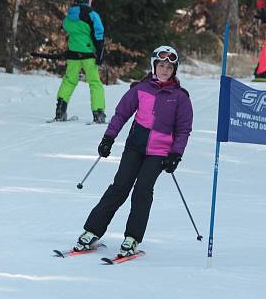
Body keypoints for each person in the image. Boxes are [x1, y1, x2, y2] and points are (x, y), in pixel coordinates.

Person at [73, 45, 194, 256]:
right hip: (134, 148)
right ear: (154, 66)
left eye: (169, 66)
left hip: (159, 153)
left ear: (175, 69)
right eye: (161, 65)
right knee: (119, 187)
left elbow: (184, 129)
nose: (165, 70)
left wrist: (176, 153)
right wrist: (108, 138)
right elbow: (121, 114)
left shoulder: (180, 97)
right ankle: (91, 231)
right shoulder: (140, 89)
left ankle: (132, 238)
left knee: (142, 191)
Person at [54, 0, 106, 123]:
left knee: (69, 80)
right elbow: (99, 34)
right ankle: (98, 113)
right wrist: (100, 54)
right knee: (95, 83)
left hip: (73, 54)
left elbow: (65, 27)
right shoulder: (92, 15)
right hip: (89, 55)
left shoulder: (69, 16)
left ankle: (60, 111)